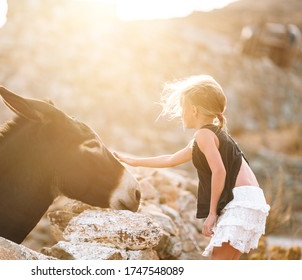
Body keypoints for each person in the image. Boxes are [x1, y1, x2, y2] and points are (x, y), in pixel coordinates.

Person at [114, 74, 270, 260]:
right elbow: (170, 159)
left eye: (182, 108)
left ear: (194, 110)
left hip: (240, 203)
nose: (180, 113)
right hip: (251, 200)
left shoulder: (203, 135)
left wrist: (212, 214)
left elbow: (219, 171)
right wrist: (134, 161)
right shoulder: (213, 134)